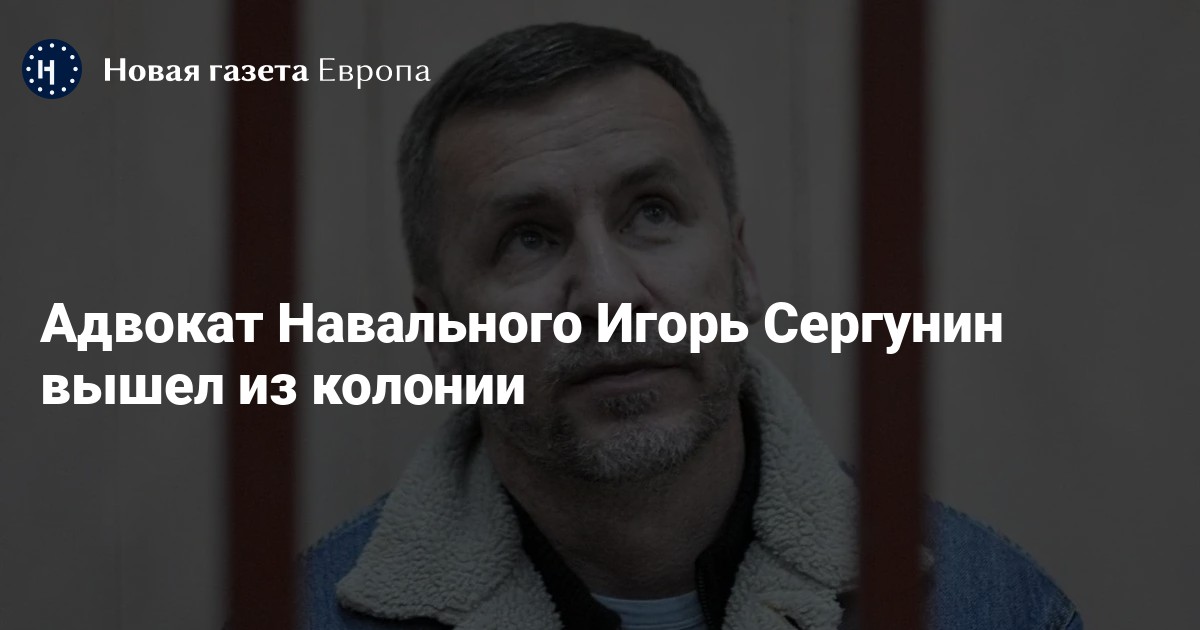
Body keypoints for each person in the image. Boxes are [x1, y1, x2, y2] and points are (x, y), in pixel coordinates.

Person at [302, 23, 1081, 630]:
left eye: (652, 212)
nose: (608, 293)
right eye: (528, 237)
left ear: (741, 265)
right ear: (443, 330)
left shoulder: (992, 608)